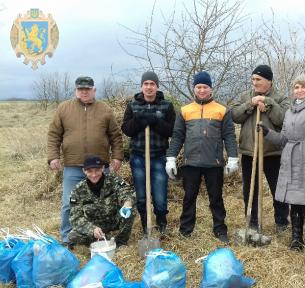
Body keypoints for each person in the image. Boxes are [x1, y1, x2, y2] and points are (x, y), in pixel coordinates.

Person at [47, 76, 123, 247]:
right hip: (73, 166)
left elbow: (115, 136)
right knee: (69, 203)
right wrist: (53, 157)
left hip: (100, 167)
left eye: (87, 89)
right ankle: (67, 238)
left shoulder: (105, 109)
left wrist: (117, 157)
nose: (84, 92)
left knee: (106, 203)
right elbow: (54, 135)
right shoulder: (64, 108)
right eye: (81, 89)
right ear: (76, 90)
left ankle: (104, 236)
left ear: (93, 90)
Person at [166, 71, 239, 243]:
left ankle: (220, 230)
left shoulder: (222, 110)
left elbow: (229, 135)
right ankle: (185, 230)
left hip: (214, 163)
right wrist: (171, 157)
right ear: (194, 89)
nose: (201, 90)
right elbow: (177, 136)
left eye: (205, 87)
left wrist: (233, 158)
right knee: (189, 197)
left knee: (216, 198)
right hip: (190, 162)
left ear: (211, 89)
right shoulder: (185, 111)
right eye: (198, 87)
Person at [258, 74, 305, 250]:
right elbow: (284, 139)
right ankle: (296, 240)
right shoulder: (290, 111)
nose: (300, 90)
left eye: (303, 86)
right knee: (294, 203)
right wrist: (267, 132)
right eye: (296, 87)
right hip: (290, 160)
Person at [232, 65, 290, 233]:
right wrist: (250, 104)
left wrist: (269, 104)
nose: (254, 83)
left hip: (273, 152)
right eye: (253, 80)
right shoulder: (246, 96)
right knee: (250, 190)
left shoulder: (280, 98)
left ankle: (281, 222)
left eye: (258, 80)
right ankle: (252, 223)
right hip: (250, 152)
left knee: (278, 189)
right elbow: (235, 115)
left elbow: (283, 120)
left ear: (269, 81)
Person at [121, 71, 176, 234]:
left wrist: (156, 121)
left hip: (159, 156)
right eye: (146, 84)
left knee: (160, 194)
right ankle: (146, 225)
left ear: (157, 86)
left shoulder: (167, 106)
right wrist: (139, 119)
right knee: (141, 194)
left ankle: (161, 222)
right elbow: (127, 130)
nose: (149, 87)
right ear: (141, 86)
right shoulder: (132, 106)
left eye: (152, 84)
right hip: (138, 157)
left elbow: (172, 130)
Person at [68, 155, 135, 248]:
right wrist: (92, 229)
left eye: (97, 170)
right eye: (90, 171)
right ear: (84, 171)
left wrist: (127, 203)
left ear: (103, 168)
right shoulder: (78, 190)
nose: (94, 175)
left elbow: (126, 191)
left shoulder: (113, 179)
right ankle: (104, 240)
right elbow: (75, 218)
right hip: (95, 225)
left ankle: (120, 243)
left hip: (114, 220)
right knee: (72, 236)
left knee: (130, 211)